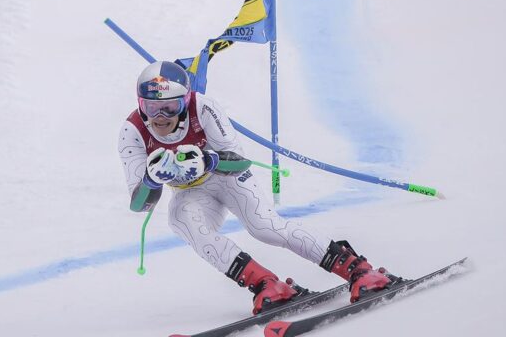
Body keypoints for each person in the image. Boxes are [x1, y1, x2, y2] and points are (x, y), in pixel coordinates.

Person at [117, 61, 392, 315]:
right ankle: (265, 284)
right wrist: (151, 181)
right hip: (191, 192)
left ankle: (358, 269)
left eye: (171, 107)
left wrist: (207, 160)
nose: (161, 117)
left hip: (226, 177)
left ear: (185, 101)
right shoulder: (132, 131)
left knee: (264, 226)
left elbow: (239, 162)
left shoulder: (203, 108)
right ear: (141, 106)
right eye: (152, 108)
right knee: (181, 220)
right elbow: (140, 204)